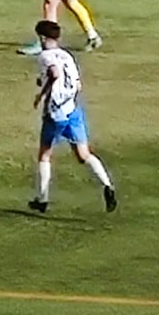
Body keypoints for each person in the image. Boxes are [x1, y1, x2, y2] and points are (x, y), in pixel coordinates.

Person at [28, 20, 117, 216]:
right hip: (73, 109)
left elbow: (54, 73)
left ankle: (42, 199)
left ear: (42, 38)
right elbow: (77, 84)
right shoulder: (67, 55)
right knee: (84, 154)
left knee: (45, 154)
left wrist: (41, 95)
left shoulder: (45, 56)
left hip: (56, 113)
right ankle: (107, 185)